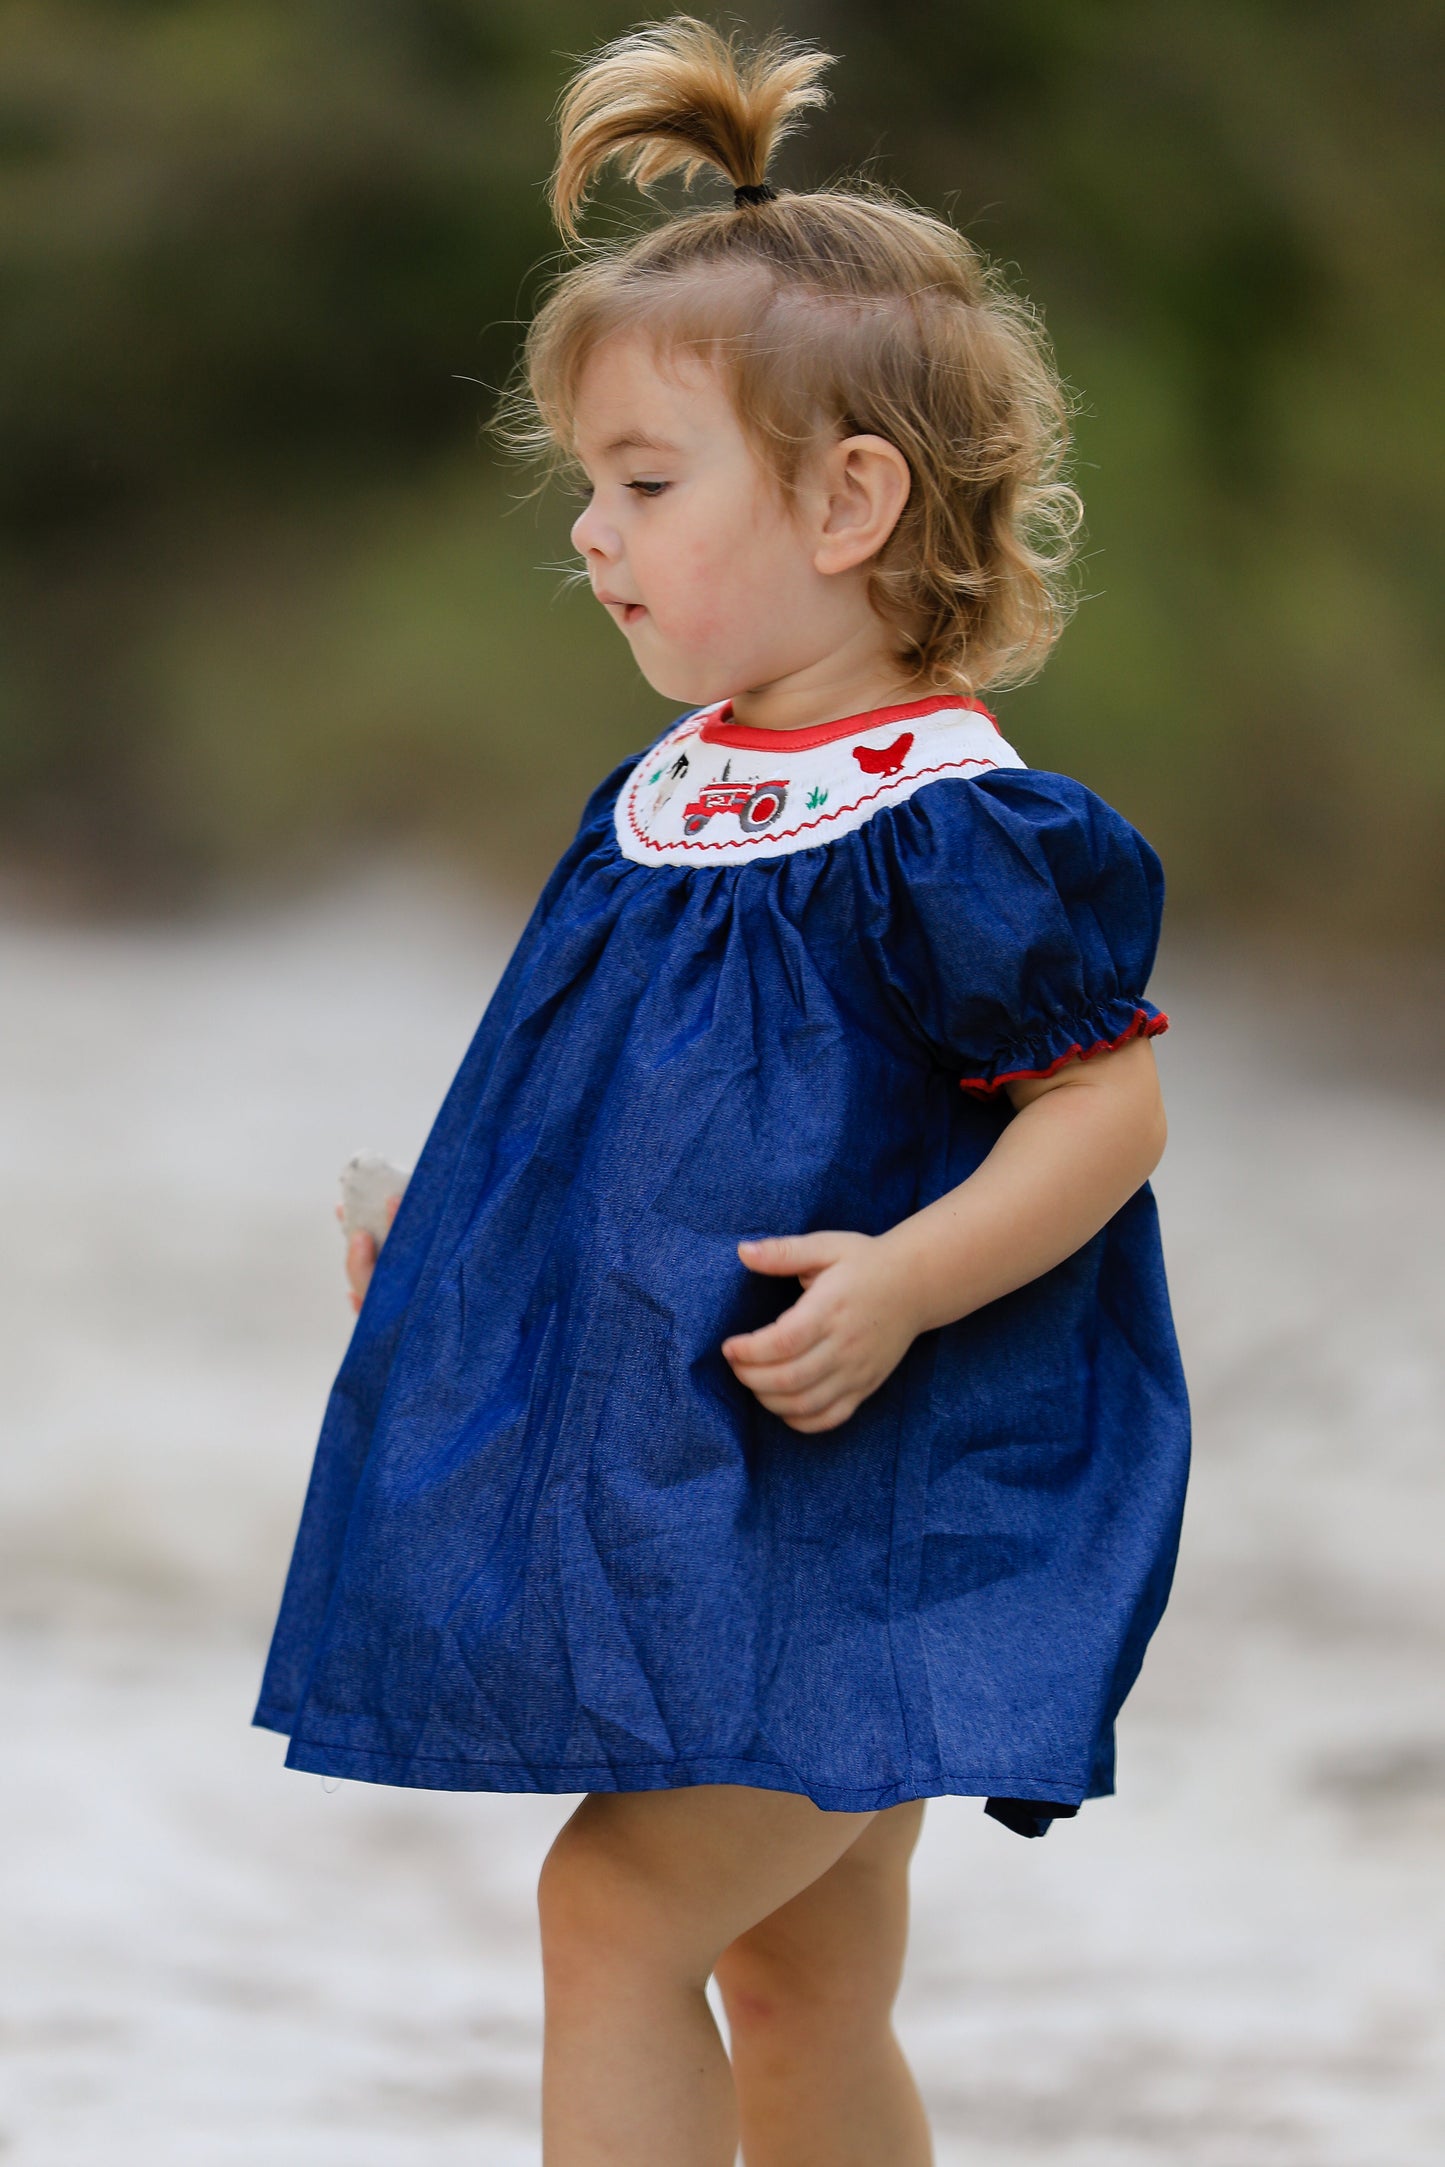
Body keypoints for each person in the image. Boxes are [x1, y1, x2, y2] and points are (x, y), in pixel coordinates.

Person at [254, 17, 1191, 2163]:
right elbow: (620, 1106)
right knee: (798, 1971)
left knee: (614, 1904)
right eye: (587, 484)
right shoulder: (674, 794)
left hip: (883, 1505)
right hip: (731, 1515)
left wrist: (911, 1280)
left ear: (854, 500)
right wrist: (461, 1241)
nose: (595, 532)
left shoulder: (952, 824)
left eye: (647, 484)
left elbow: (1105, 1112)